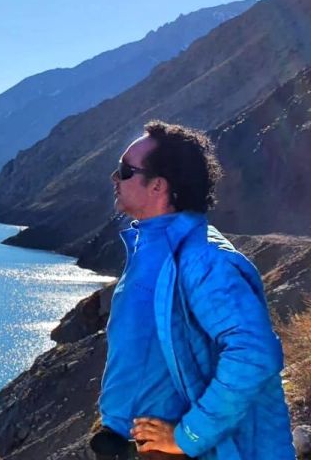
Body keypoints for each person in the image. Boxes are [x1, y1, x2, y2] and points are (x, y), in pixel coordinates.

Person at [90, 121, 295, 459]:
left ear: (158, 186)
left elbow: (254, 353)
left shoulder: (205, 260)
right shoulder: (154, 248)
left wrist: (187, 436)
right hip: (132, 445)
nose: (115, 178)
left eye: (125, 170)